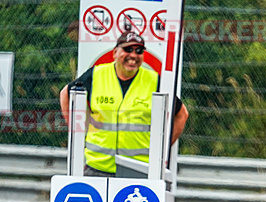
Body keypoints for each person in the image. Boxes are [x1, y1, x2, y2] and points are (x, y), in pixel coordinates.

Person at [59, 32, 189, 176]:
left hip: (138, 169)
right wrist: (77, 132)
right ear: (115, 53)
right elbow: (66, 93)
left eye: (139, 51)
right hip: (97, 167)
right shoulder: (97, 74)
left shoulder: (154, 80)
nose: (133, 55)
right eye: (128, 49)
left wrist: (161, 150)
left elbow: (181, 114)